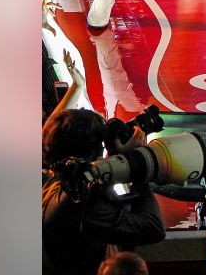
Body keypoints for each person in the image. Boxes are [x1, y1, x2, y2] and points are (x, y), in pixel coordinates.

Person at [42, 108, 165, 275]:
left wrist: (115, 158)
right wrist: (136, 161)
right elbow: (152, 228)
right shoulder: (81, 204)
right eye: (102, 145)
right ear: (92, 153)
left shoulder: (51, 181)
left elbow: (92, 181)